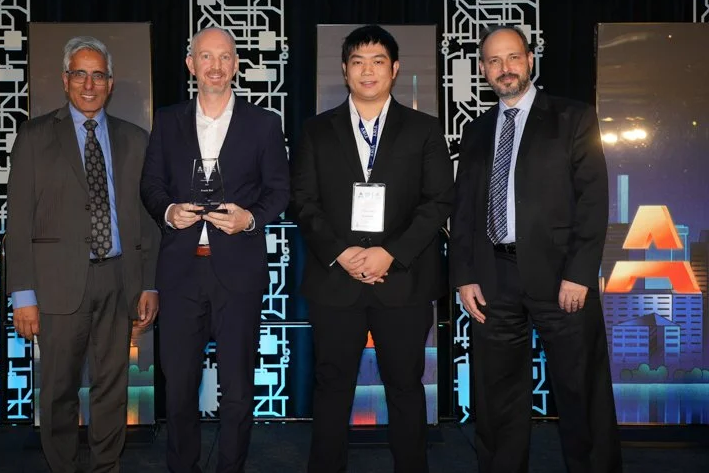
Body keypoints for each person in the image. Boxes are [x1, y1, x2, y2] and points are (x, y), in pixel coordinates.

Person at [449, 25, 622, 473]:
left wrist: (580, 274)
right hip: (493, 278)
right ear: (483, 69)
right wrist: (464, 275)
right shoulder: (477, 129)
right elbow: (465, 209)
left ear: (529, 60)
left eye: (512, 58)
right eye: (493, 61)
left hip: (561, 277)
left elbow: (593, 200)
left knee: (581, 391)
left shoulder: (573, 118)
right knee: (496, 398)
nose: (503, 68)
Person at [291, 25, 454, 473]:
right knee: (331, 386)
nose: (368, 70)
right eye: (358, 61)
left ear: (395, 69)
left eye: (378, 61)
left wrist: (391, 253)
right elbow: (303, 201)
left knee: (405, 386)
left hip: (403, 279)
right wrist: (342, 253)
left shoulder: (423, 130)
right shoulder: (316, 131)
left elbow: (438, 199)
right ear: (344, 71)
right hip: (334, 280)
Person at [6, 35, 160, 473]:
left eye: (98, 75)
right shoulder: (35, 137)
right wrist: (23, 295)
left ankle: (105, 467)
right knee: (58, 388)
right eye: (80, 74)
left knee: (113, 386)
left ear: (110, 83)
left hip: (119, 279)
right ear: (65, 80)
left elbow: (148, 220)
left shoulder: (136, 139)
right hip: (55, 286)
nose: (89, 84)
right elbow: (18, 222)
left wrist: (149, 282)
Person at [140, 27, 290, 473]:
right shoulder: (168, 121)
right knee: (180, 387)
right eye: (206, 57)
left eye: (224, 57)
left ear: (236, 64)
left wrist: (251, 219)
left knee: (239, 389)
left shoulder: (263, 124)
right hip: (181, 272)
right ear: (191, 65)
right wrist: (168, 212)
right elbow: (150, 186)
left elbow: (280, 191)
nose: (215, 66)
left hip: (238, 271)